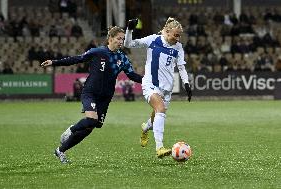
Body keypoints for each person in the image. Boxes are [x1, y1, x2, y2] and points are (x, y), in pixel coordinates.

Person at [41, 26, 142, 163]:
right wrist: (54, 62)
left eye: (123, 39)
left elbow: (132, 76)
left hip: (105, 97)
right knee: (92, 120)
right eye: (119, 38)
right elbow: (77, 59)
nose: (121, 41)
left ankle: (60, 151)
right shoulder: (98, 51)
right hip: (90, 92)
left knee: (91, 127)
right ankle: (72, 129)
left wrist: (149, 81)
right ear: (110, 38)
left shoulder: (122, 58)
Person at [124, 17, 192, 158]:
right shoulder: (153, 40)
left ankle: (145, 128)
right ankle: (159, 147)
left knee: (157, 117)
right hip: (150, 84)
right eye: (176, 35)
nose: (178, 38)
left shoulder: (178, 47)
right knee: (160, 109)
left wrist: (186, 83)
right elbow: (129, 44)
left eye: (179, 35)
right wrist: (129, 29)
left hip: (167, 89)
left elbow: (181, 67)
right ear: (167, 31)